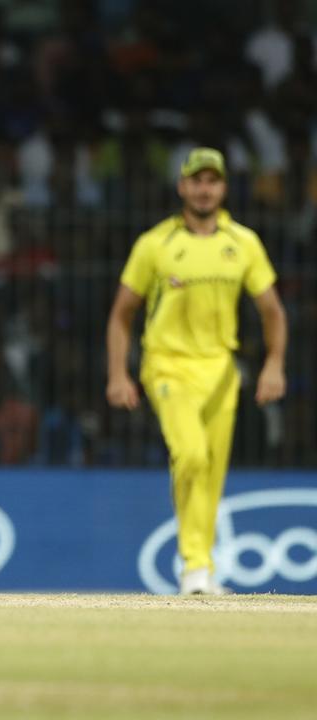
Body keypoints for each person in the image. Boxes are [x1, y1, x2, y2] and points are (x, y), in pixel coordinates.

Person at [106, 147, 286, 595]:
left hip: (222, 371)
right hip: (167, 366)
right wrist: (118, 373)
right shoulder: (155, 244)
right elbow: (121, 314)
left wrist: (274, 365)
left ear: (223, 187)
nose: (204, 189)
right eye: (196, 181)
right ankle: (195, 566)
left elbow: (273, 312)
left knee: (211, 471)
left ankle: (198, 570)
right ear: (182, 186)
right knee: (191, 456)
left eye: (213, 181)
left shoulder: (243, 242)